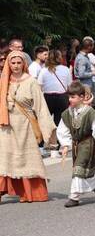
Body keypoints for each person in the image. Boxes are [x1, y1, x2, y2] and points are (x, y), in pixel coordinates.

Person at [0, 51, 56, 203]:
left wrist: (48, 131)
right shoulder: (4, 81)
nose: (16, 66)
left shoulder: (31, 81)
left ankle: (30, 192)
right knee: (4, 158)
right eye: (13, 63)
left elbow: (40, 106)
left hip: (25, 124)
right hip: (6, 126)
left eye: (19, 63)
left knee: (28, 158)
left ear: (23, 64)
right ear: (8, 64)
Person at [57, 81, 95, 207]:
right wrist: (65, 144)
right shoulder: (67, 113)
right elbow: (62, 129)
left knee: (78, 169)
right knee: (85, 172)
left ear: (81, 97)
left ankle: (74, 197)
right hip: (76, 145)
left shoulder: (90, 112)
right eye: (69, 97)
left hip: (88, 144)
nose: (70, 99)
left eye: (73, 97)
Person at [37, 49, 72, 128]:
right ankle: (58, 139)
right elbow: (69, 86)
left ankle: (47, 138)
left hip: (47, 98)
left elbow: (39, 85)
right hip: (62, 97)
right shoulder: (65, 69)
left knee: (45, 121)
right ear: (60, 58)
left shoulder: (44, 70)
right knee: (60, 122)